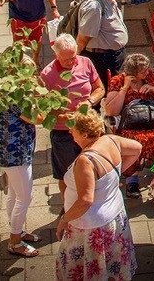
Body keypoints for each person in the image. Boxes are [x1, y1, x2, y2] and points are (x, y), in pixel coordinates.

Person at [54, 109, 141, 281]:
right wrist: (115, 175)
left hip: (90, 227)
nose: (70, 132)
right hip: (114, 218)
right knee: (111, 266)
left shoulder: (86, 160)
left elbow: (85, 201)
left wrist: (64, 220)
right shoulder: (110, 140)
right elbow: (137, 149)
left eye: (73, 129)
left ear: (85, 133)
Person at [41, 33, 105, 196]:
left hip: (88, 127)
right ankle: (68, 206)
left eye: (73, 57)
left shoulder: (86, 62)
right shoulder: (47, 75)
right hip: (64, 132)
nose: (71, 62)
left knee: (94, 168)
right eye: (66, 59)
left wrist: (89, 102)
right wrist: (66, 117)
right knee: (66, 173)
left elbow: (100, 89)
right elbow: (43, 111)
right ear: (56, 55)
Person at [102, 53, 154, 194]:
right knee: (131, 140)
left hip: (152, 119)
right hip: (130, 123)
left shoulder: (151, 77)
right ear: (133, 72)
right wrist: (124, 88)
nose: (147, 72)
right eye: (143, 71)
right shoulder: (118, 81)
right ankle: (132, 178)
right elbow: (111, 111)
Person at [0, 52, 41, 258]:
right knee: (25, 196)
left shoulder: (6, 89)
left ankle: (17, 230)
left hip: (10, 149)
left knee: (14, 194)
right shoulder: (19, 96)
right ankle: (14, 242)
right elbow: (37, 118)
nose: (34, 76)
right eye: (30, 72)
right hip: (17, 153)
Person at [76, 0, 130, 85]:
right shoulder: (94, 7)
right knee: (107, 91)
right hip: (103, 60)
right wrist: (74, 60)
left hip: (112, 56)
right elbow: (83, 38)